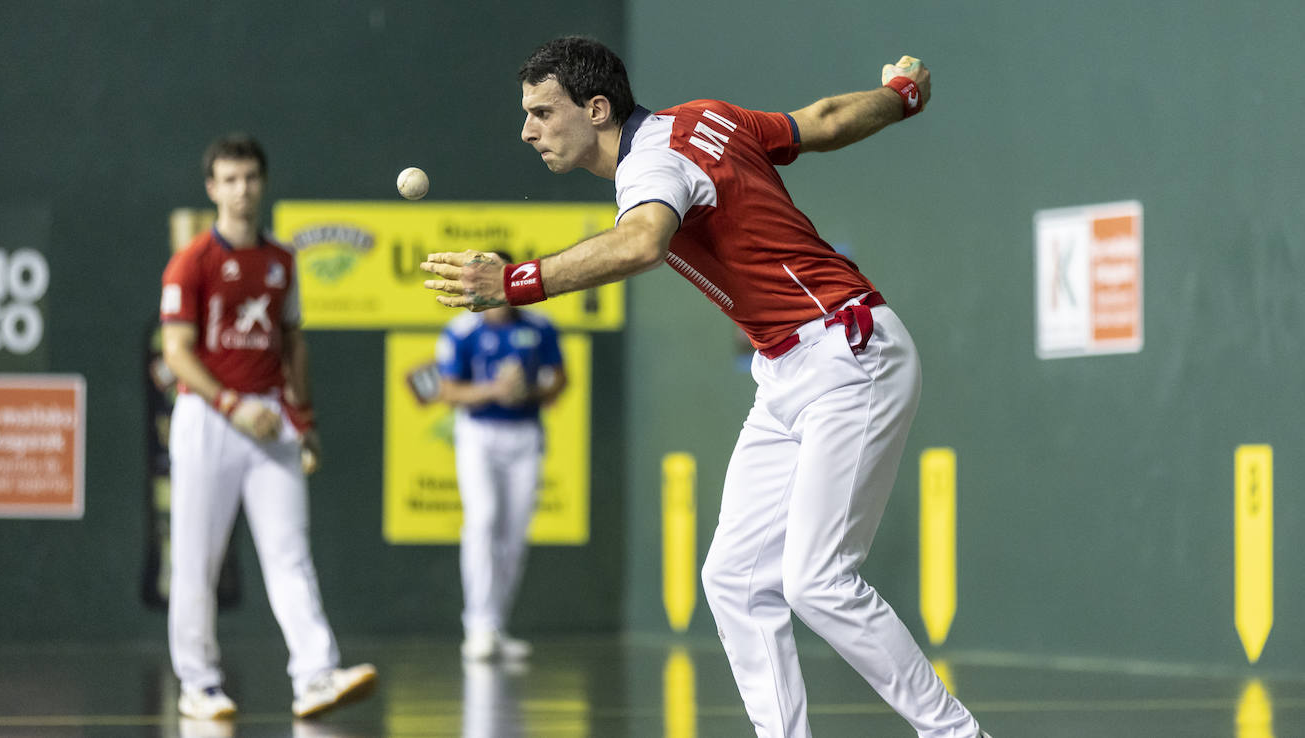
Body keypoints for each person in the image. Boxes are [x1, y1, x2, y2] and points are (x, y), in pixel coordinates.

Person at [422, 37, 990, 738]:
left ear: (597, 109)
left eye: (542, 111)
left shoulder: (652, 165)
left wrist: (512, 282)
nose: (527, 129)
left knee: (817, 581)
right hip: (788, 368)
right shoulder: (704, 119)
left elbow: (640, 244)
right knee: (735, 579)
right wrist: (902, 96)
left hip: (848, 354)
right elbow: (826, 120)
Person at [160, 134, 377, 720]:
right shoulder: (192, 262)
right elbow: (177, 352)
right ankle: (199, 684)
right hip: (209, 419)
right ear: (212, 189)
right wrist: (232, 406)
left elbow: (291, 341)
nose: (241, 189)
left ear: (263, 182)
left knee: (290, 555)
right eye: (229, 180)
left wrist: (300, 418)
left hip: (271, 422)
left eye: (250, 177)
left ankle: (315, 676)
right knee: (197, 559)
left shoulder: (282, 260)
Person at [434, 258, 568, 661]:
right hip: (478, 435)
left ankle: (495, 625)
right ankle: (477, 626)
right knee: (483, 519)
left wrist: (529, 390)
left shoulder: (539, 327)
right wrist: (494, 390)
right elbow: (448, 391)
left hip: (525, 436)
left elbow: (559, 378)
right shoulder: (462, 331)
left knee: (513, 536)